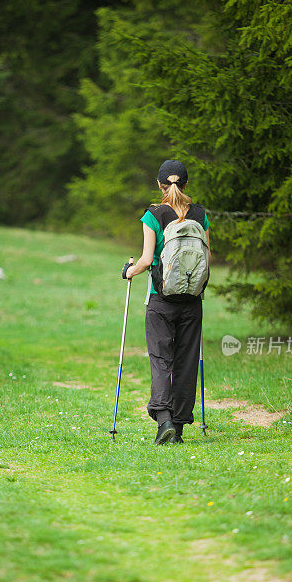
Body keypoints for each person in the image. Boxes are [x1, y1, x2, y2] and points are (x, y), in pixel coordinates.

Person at [124, 159, 210, 445]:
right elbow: (208, 258)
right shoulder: (200, 215)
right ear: (186, 184)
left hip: (161, 300)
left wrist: (129, 271)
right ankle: (180, 429)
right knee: (187, 363)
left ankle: (164, 422)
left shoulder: (154, 214)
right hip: (192, 300)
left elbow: (147, 260)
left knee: (162, 360)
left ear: (159, 185)